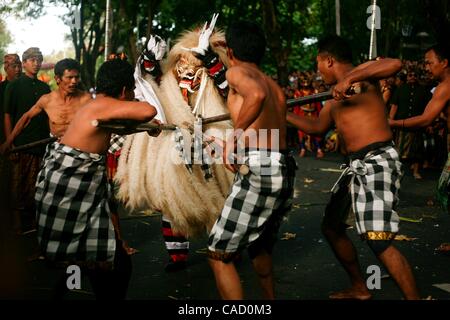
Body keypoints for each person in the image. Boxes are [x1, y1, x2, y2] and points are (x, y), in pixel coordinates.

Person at [287, 35, 419, 300]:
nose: (317, 71)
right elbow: (317, 128)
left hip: (377, 161)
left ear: (329, 60)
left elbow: (395, 64)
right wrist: (284, 113)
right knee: (332, 227)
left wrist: (351, 78)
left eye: (319, 64)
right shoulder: (333, 97)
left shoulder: (364, 77)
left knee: (378, 238)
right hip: (355, 168)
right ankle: (360, 287)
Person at [35, 59, 158, 299]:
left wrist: (145, 127)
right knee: (91, 262)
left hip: (78, 188)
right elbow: (147, 110)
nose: (133, 95)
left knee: (100, 261)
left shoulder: (97, 108)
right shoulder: (101, 106)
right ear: (124, 90)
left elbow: (119, 126)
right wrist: (146, 119)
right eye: (131, 90)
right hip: (69, 188)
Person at [207, 21, 296, 300]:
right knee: (259, 246)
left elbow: (254, 96)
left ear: (231, 52)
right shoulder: (273, 85)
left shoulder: (236, 72)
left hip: (260, 168)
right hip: (282, 166)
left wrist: (233, 137)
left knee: (218, 252)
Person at [389, 43, 450, 211]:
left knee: (445, 190)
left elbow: (425, 119)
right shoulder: (440, 86)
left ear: (444, 63)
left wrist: (393, 123)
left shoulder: (445, 86)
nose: (426, 68)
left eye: (430, 63)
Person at [3, 47, 50, 235]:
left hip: (41, 143)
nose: (36, 63)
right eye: (32, 60)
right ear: (24, 63)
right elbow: (8, 115)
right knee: (17, 184)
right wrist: (10, 143)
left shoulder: (44, 88)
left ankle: (34, 223)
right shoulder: (13, 86)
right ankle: (16, 223)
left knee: (37, 186)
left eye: (39, 59)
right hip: (21, 144)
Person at [0, 58, 91, 152]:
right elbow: (26, 117)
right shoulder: (47, 100)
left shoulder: (86, 100)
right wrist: (8, 142)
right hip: (56, 149)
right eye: (69, 77)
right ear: (57, 79)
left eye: (76, 77)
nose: (74, 81)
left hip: (80, 149)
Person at [388, 69, 432, 179]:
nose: (412, 77)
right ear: (407, 77)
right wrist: (390, 121)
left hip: (417, 124)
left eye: (415, 75)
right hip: (400, 124)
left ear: (418, 77)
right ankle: (397, 171)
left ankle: (416, 172)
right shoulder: (400, 89)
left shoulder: (424, 90)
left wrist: (429, 123)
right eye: (410, 75)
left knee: (418, 150)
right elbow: (394, 106)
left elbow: (429, 108)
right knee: (398, 150)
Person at [0, 54, 22, 143]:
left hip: (23, 137)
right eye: (14, 66)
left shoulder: (25, 87)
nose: (17, 69)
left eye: (19, 66)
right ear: (6, 68)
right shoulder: (1, 89)